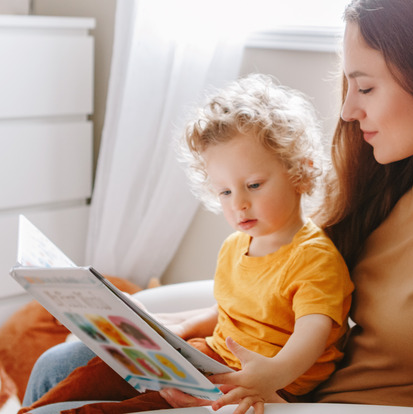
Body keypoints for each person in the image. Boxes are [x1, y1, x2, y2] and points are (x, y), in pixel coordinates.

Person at [24, 0, 413, 413]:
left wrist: (242, 394)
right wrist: (170, 330)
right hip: (278, 390)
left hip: (303, 407)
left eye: (365, 87)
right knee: (60, 362)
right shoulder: (401, 180)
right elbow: (293, 296)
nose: (347, 110)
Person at [19, 74, 354, 414]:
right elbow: (229, 313)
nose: (237, 203)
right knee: (93, 375)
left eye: (253, 185)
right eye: (225, 191)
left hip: (261, 387)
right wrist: (178, 328)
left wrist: (270, 376)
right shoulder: (236, 246)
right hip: (209, 362)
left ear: (300, 171)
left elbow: (312, 331)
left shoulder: (314, 258)